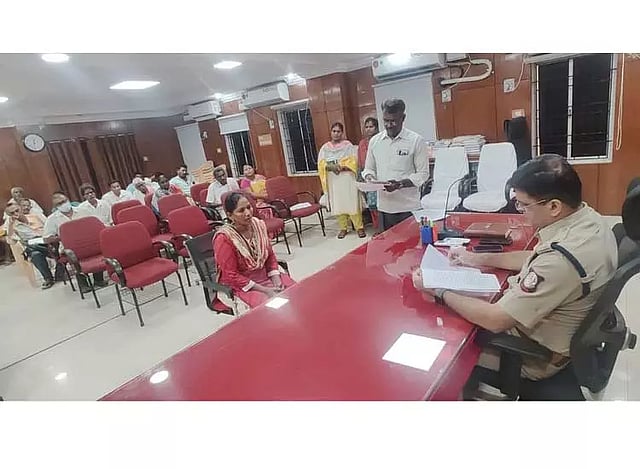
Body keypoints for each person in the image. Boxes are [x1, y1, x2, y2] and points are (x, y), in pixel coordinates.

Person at [411, 155, 618, 388]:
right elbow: (536, 258)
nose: (519, 211)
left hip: (531, 355)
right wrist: (476, 258)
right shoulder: (587, 220)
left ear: (554, 207)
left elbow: (495, 320)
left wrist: (437, 289)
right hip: (543, 327)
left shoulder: (561, 260)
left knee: (432, 340)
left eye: (523, 204)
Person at [213, 192, 295, 312]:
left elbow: (270, 256)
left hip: (264, 274)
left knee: (293, 291)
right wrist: (265, 290)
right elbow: (231, 275)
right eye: (241, 211)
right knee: (269, 306)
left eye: (248, 207)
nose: (248, 213)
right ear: (230, 215)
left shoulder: (258, 225)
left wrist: (276, 281)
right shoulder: (224, 238)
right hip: (241, 285)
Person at [362, 98, 429, 231]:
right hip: (384, 207)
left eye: (393, 121)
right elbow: (368, 169)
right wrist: (370, 178)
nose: (389, 125)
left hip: (408, 207)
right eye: (386, 121)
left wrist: (399, 184)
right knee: (387, 243)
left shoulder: (416, 141)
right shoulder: (375, 141)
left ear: (403, 118)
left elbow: (423, 174)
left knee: (410, 244)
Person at [44, 191, 106, 292]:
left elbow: (95, 224)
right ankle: (83, 284)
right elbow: (46, 238)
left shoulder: (83, 210)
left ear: (68, 200)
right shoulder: (52, 219)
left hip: (88, 242)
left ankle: (99, 280)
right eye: (59, 204)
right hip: (68, 247)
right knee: (71, 255)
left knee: (96, 248)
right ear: (55, 206)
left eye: (64, 201)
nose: (63, 204)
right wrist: (63, 237)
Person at [318, 122, 365, 239]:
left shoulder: (348, 146)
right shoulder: (325, 148)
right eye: (334, 131)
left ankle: (359, 227)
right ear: (331, 132)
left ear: (342, 133)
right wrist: (330, 167)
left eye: (338, 131)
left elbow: (354, 160)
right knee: (338, 203)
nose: (336, 134)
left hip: (347, 177)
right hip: (333, 179)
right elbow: (321, 163)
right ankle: (343, 228)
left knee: (352, 202)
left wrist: (343, 166)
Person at [4, 203, 55, 289]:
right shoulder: (13, 226)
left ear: (21, 209)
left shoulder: (35, 215)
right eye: (12, 213)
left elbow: (49, 226)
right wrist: (10, 225)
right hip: (32, 244)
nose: (16, 214)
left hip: (47, 240)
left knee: (32, 248)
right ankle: (48, 278)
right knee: (35, 254)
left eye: (17, 210)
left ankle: (48, 250)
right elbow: (11, 242)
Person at [358, 117, 380, 234]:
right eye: (366, 127)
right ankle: (377, 227)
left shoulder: (380, 140)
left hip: (379, 176)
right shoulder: (362, 143)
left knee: (380, 204)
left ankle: (383, 228)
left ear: (376, 128)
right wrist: (361, 177)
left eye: (371, 126)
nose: (368, 129)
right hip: (367, 177)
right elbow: (360, 161)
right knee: (371, 204)